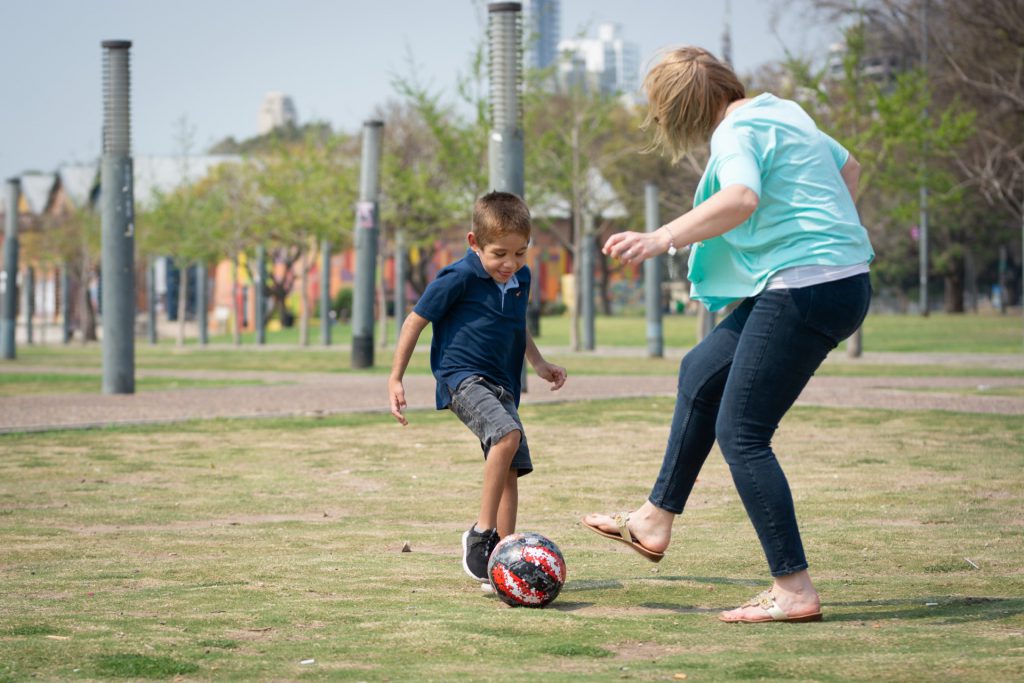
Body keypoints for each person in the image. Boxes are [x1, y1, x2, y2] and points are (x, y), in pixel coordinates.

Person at [582, 47, 874, 623]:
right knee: (700, 370)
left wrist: (662, 237)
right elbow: (851, 170)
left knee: (741, 432)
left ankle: (793, 590)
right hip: (835, 280)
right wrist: (819, 234)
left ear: (686, 106)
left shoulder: (735, 130)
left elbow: (740, 199)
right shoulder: (783, 111)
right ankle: (653, 520)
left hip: (805, 285)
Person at [389, 191, 567, 585]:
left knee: (512, 467)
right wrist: (396, 377)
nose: (511, 263)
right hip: (462, 378)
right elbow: (414, 322)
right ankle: (480, 535)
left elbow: (518, 323)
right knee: (506, 437)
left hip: (503, 384)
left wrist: (538, 363)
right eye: (500, 253)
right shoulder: (459, 277)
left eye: (521, 252)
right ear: (474, 243)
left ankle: (504, 553)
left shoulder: (521, 277)